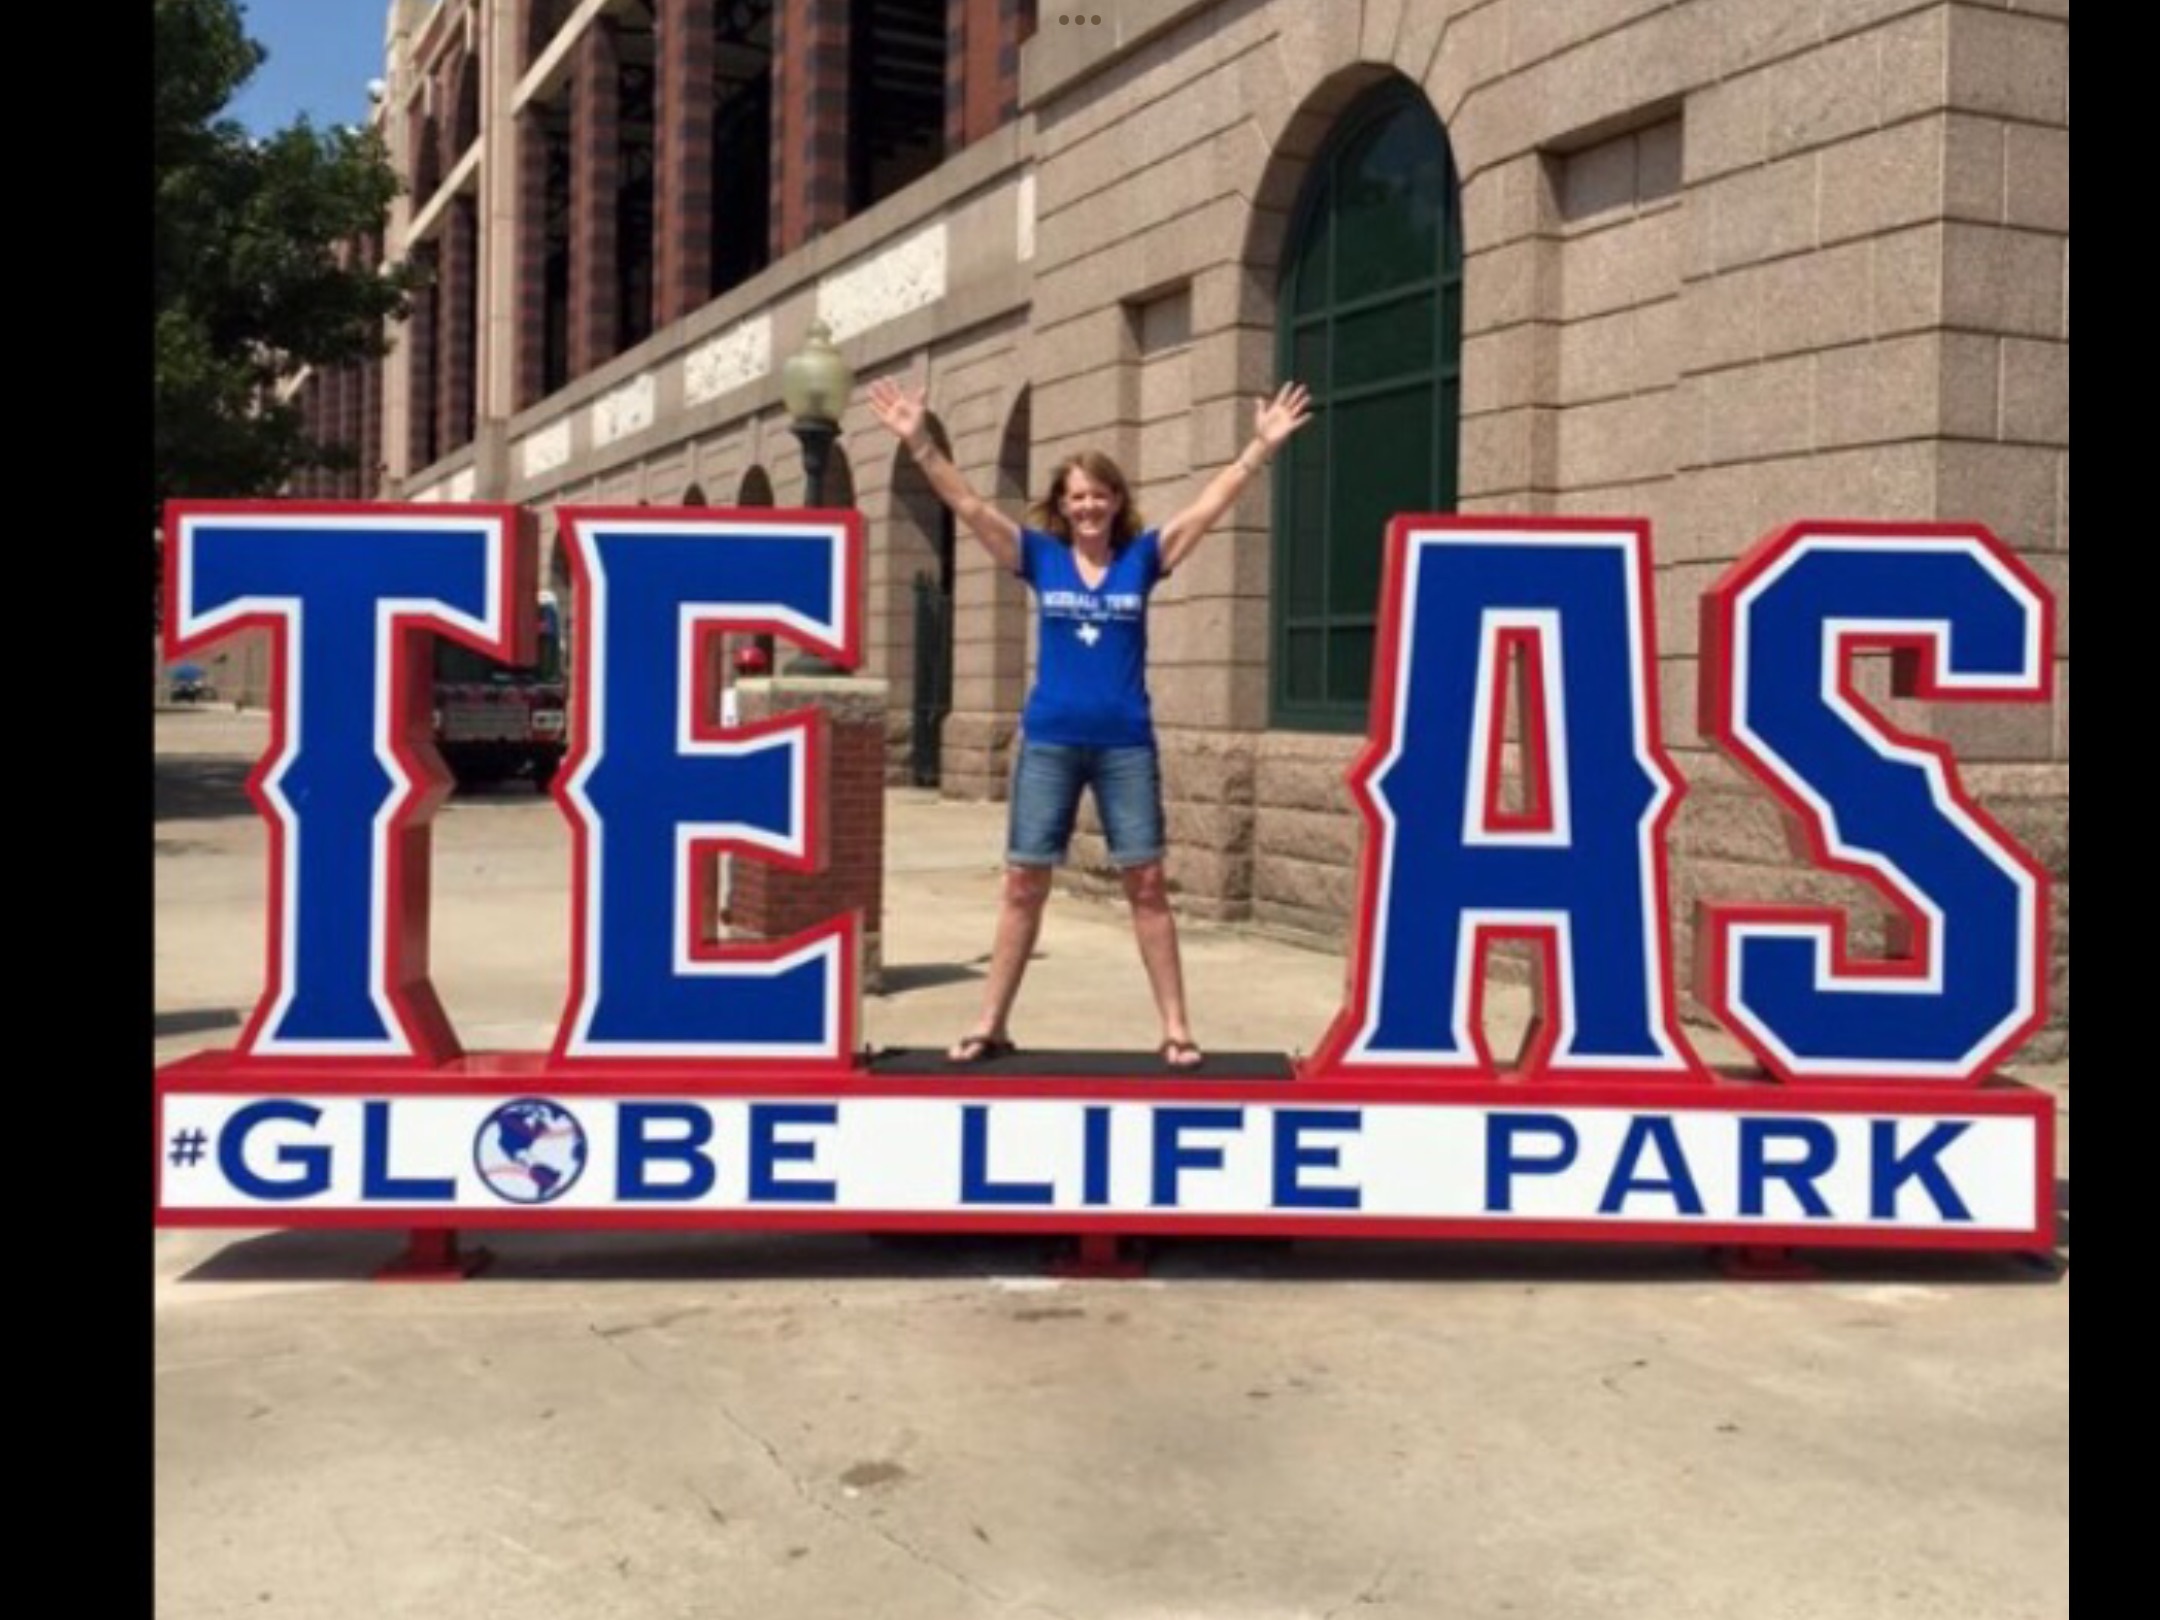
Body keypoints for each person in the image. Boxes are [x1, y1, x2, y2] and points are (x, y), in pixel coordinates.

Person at [867, 375, 1313, 1069]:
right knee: (1023, 883)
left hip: (1125, 747)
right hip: (1049, 742)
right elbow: (970, 505)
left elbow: (1208, 506)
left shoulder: (1144, 559)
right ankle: (991, 1022)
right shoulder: (1039, 558)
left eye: (1099, 495)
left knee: (1147, 885)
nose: (1088, 507)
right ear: (1062, 504)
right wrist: (920, 441)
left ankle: (1176, 1028)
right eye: (1077, 496)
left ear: (1116, 502)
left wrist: (1258, 449)